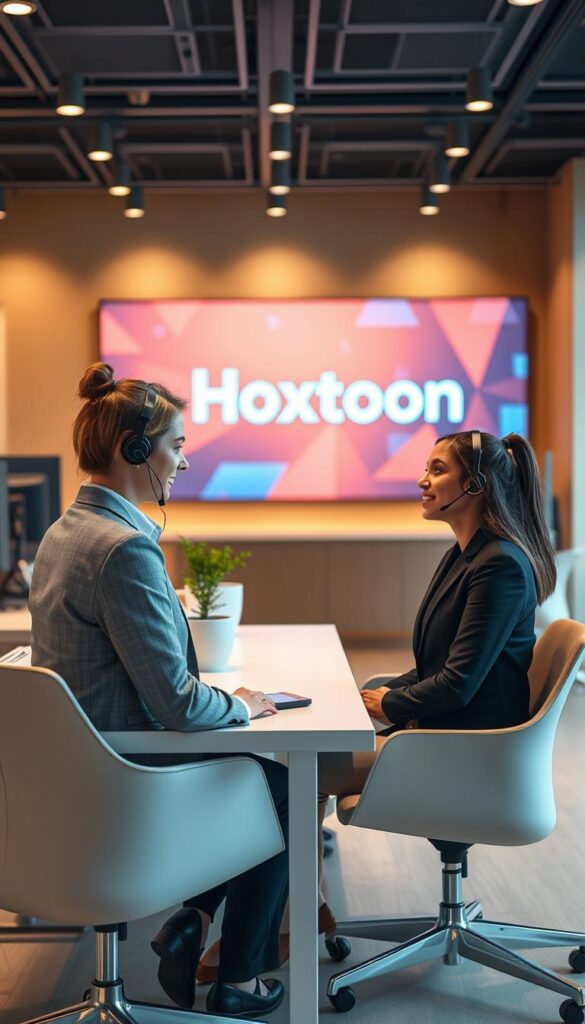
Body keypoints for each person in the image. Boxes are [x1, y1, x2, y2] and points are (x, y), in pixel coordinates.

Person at [29, 362, 288, 1019]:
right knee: (278, 782)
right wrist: (244, 704)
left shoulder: (63, 534)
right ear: (133, 449)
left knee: (256, 773)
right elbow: (176, 702)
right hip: (121, 772)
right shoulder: (121, 549)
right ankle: (239, 978)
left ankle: (190, 921)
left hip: (78, 765)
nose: (180, 464)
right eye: (176, 447)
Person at [317, 429, 557, 874]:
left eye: (438, 470)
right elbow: (441, 664)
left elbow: (459, 683)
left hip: (466, 752)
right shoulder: (465, 555)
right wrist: (380, 694)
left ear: (475, 484)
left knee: (299, 772)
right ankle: (304, 909)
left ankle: (293, 920)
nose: (422, 480)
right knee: (304, 762)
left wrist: (388, 702)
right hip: (444, 734)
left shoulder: (499, 565)